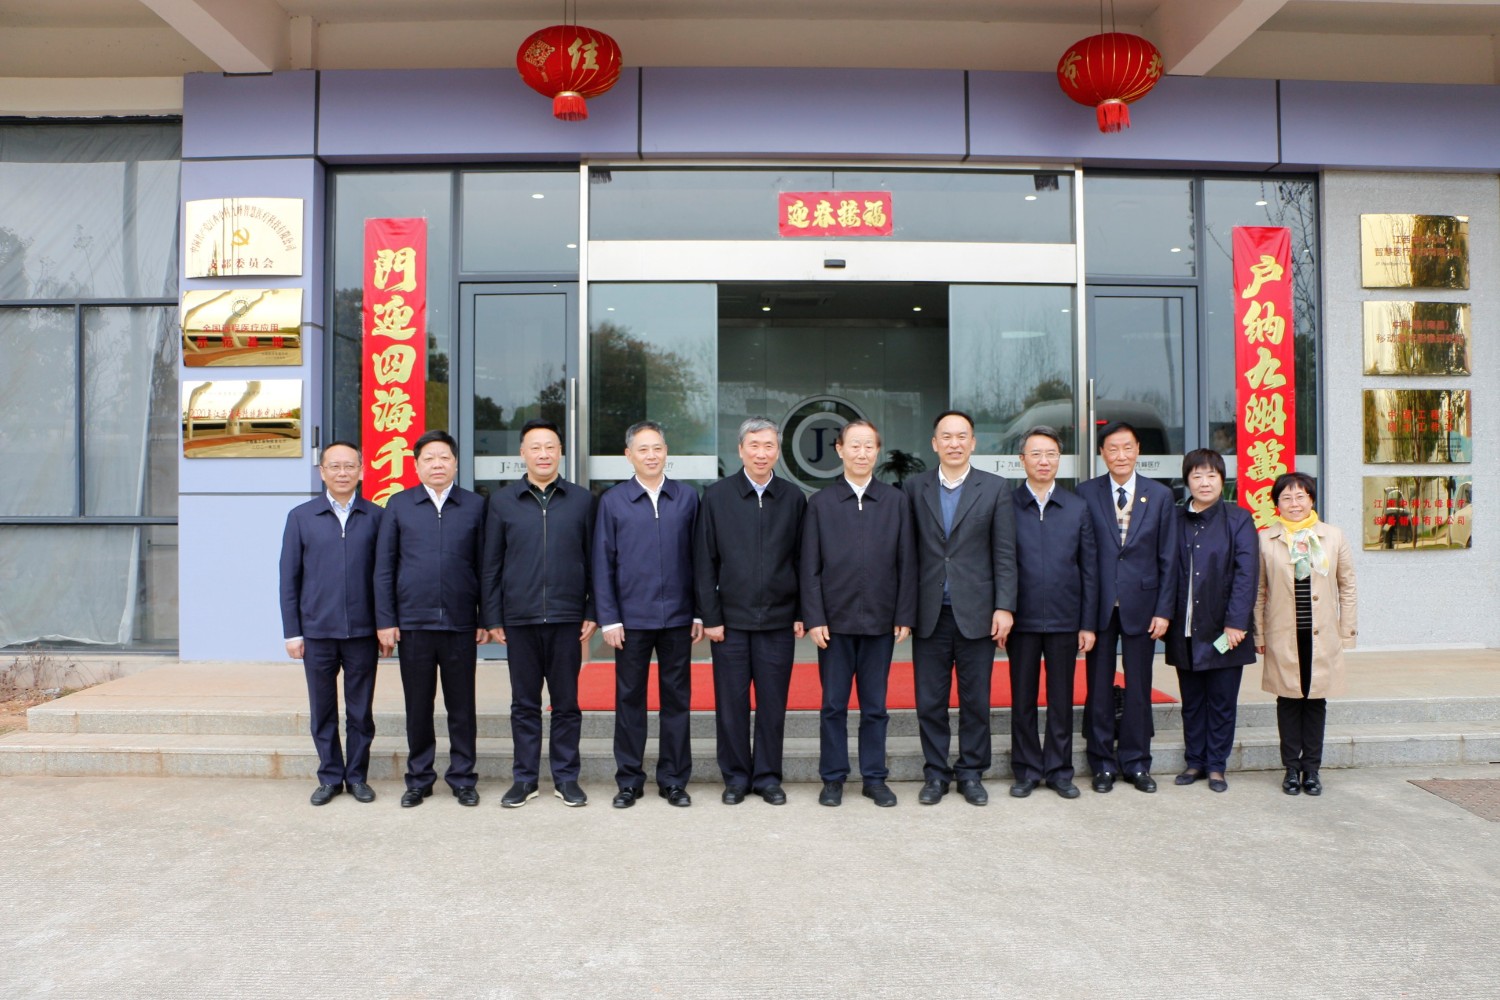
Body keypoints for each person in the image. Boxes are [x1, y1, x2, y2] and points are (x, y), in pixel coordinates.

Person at [800, 418, 917, 808]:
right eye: (854, 445)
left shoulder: (896, 502)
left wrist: (904, 614)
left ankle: (874, 778)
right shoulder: (820, 503)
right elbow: (809, 566)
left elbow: (907, 561)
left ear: (877, 451)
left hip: (881, 621)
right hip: (834, 624)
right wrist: (815, 617)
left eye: (869, 446)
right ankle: (833, 778)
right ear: (840, 450)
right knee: (833, 705)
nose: (862, 453)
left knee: (875, 707)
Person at [901, 410, 1016, 806]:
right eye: (946, 437)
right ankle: (935, 773)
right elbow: (907, 554)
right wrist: (904, 612)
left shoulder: (995, 488)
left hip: (978, 613)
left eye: (961, 436)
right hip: (929, 613)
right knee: (930, 701)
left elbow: (1005, 553)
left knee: (975, 701)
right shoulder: (914, 488)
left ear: (973, 442)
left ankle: (971, 773)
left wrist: (1005, 607)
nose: (954, 443)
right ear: (935, 443)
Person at [483, 419, 597, 809]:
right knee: (524, 704)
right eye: (535, 447)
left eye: (550, 446)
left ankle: (566, 778)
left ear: (561, 452)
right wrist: (493, 617)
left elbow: (595, 561)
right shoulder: (502, 502)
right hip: (520, 619)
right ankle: (524, 779)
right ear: (522, 454)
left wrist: (592, 609)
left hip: (567, 618)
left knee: (566, 704)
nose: (543, 454)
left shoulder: (582, 500)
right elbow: (491, 564)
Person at [694, 417, 806, 806]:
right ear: (740, 449)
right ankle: (736, 777)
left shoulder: (793, 498)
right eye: (754, 445)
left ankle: (768, 777)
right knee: (731, 705)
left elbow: (803, 559)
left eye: (769, 445)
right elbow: (704, 562)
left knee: (773, 704)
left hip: (778, 620)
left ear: (778, 450)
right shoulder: (717, 497)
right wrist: (711, 617)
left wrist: (802, 611)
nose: (761, 453)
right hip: (730, 623)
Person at [374, 429, 488, 808]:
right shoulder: (399, 505)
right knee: (418, 706)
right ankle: (419, 778)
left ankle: (463, 778)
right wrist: (386, 620)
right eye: (429, 458)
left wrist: (485, 618)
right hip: (413, 624)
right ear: (416, 465)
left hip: (460, 624)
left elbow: (486, 567)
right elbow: (384, 568)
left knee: (462, 707)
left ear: (455, 463)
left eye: (444, 458)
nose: (437, 464)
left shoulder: (475, 505)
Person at [593, 420, 702, 809]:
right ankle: (629, 780)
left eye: (657, 448)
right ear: (629, 455)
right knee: (629, 701)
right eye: (643, 449)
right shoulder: (613, 501)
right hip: (631, 621)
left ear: (666, 452)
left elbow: (700, 560)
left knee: (676, 701)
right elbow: (602, 563)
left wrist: (699, 612)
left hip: (678, 618)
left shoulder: (687, 498)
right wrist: (609, 618)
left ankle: (673, 780)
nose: (651, 455)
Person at [278, 441, 383, 806]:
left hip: (363, 632)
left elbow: (384, 576)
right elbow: (289, 579)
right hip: (317, 633)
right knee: (322, 711)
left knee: (360, 712)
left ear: (362, 470)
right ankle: (329, 777)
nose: (342, 473)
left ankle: (357, 777)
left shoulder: (376, 517)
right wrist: (293, 632)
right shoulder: (301, 517)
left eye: (349, 466)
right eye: (334, 466)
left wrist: (384, 625)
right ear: (322, 472)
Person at [1077, 420, 1178, 793]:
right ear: (1102, 453)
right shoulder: (1086, 493)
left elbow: (1168, 558)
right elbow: (1081, 557)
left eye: (1127, 447)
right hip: (1099, 607)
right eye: (1112, 448)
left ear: (1138, 450)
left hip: (1143, 605)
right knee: (1098, 687)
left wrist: (1164, 611)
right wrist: (1083, 617)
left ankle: (1137, 763)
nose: (1120, 455)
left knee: (1139, 687)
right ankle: (1102, 763)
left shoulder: (1160, 495)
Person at [1254, 472, 1357, 797]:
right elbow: (1259, 591)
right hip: (1283, 633)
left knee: (1315, 701)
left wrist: (1346, 631)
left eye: (1300, 496)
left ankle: (1311, 769)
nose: (1294, 503)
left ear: (1311, 499)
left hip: (1321, 633)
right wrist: (1259, 634)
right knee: (1287, 700)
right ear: (1277, 504)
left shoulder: (1333, 536)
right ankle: (1291, 769)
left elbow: (1347, 585)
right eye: (1286, 498)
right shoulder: (1266, 539)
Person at [1008, 426, 1097, 800]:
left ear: (1060, 460)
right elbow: (1000, 563)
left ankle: (1060, 771)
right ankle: (1027, 769)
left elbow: (1089, 569)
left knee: (1061, 700)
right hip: (1021, 620)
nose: (1043, 461)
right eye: (1036, 454)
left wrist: (1087, 623)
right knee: (1022, 699)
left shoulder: (1076, 507)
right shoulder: (1007, 505)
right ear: (1022, 460)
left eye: (1051, 454)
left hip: (1065, 619)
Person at [1163, 449, 1259, 794]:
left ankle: (1216, 765)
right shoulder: (1174, 520)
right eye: (1197, 476)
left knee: (1221, 700)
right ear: (1187, 481)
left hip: (1224, 630)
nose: (1204, 483)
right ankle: (1195, 761)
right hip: (1185, 628)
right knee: (1191, 700)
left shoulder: (1238, 519)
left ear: (1222, 479)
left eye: (1211, 476)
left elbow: (1247, 574)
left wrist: (1236, 622)